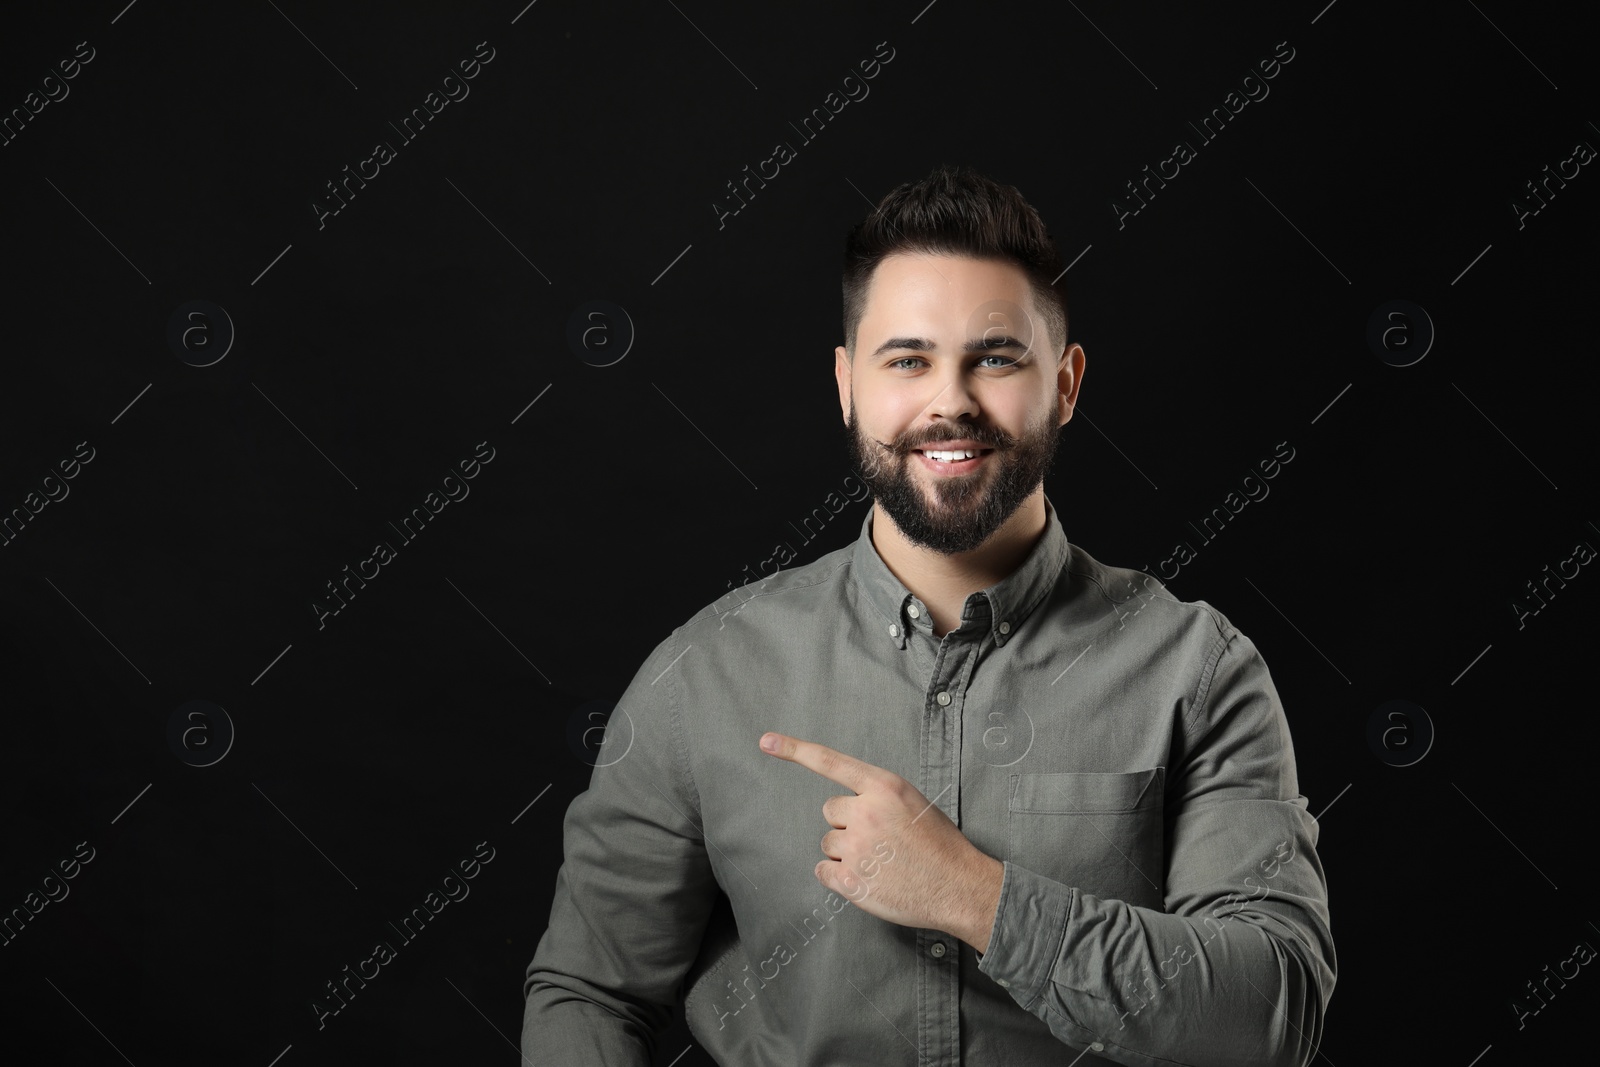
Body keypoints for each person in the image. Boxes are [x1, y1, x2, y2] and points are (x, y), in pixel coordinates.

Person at [521, 163, 1335, 1065]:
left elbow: (1271, 1013)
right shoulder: (703, 675)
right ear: (846, 384)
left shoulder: (1197, 670)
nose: (949, 400)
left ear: (1064, 384)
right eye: (907, 359)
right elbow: (587, 992)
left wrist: (977, 898)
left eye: (994, 357)